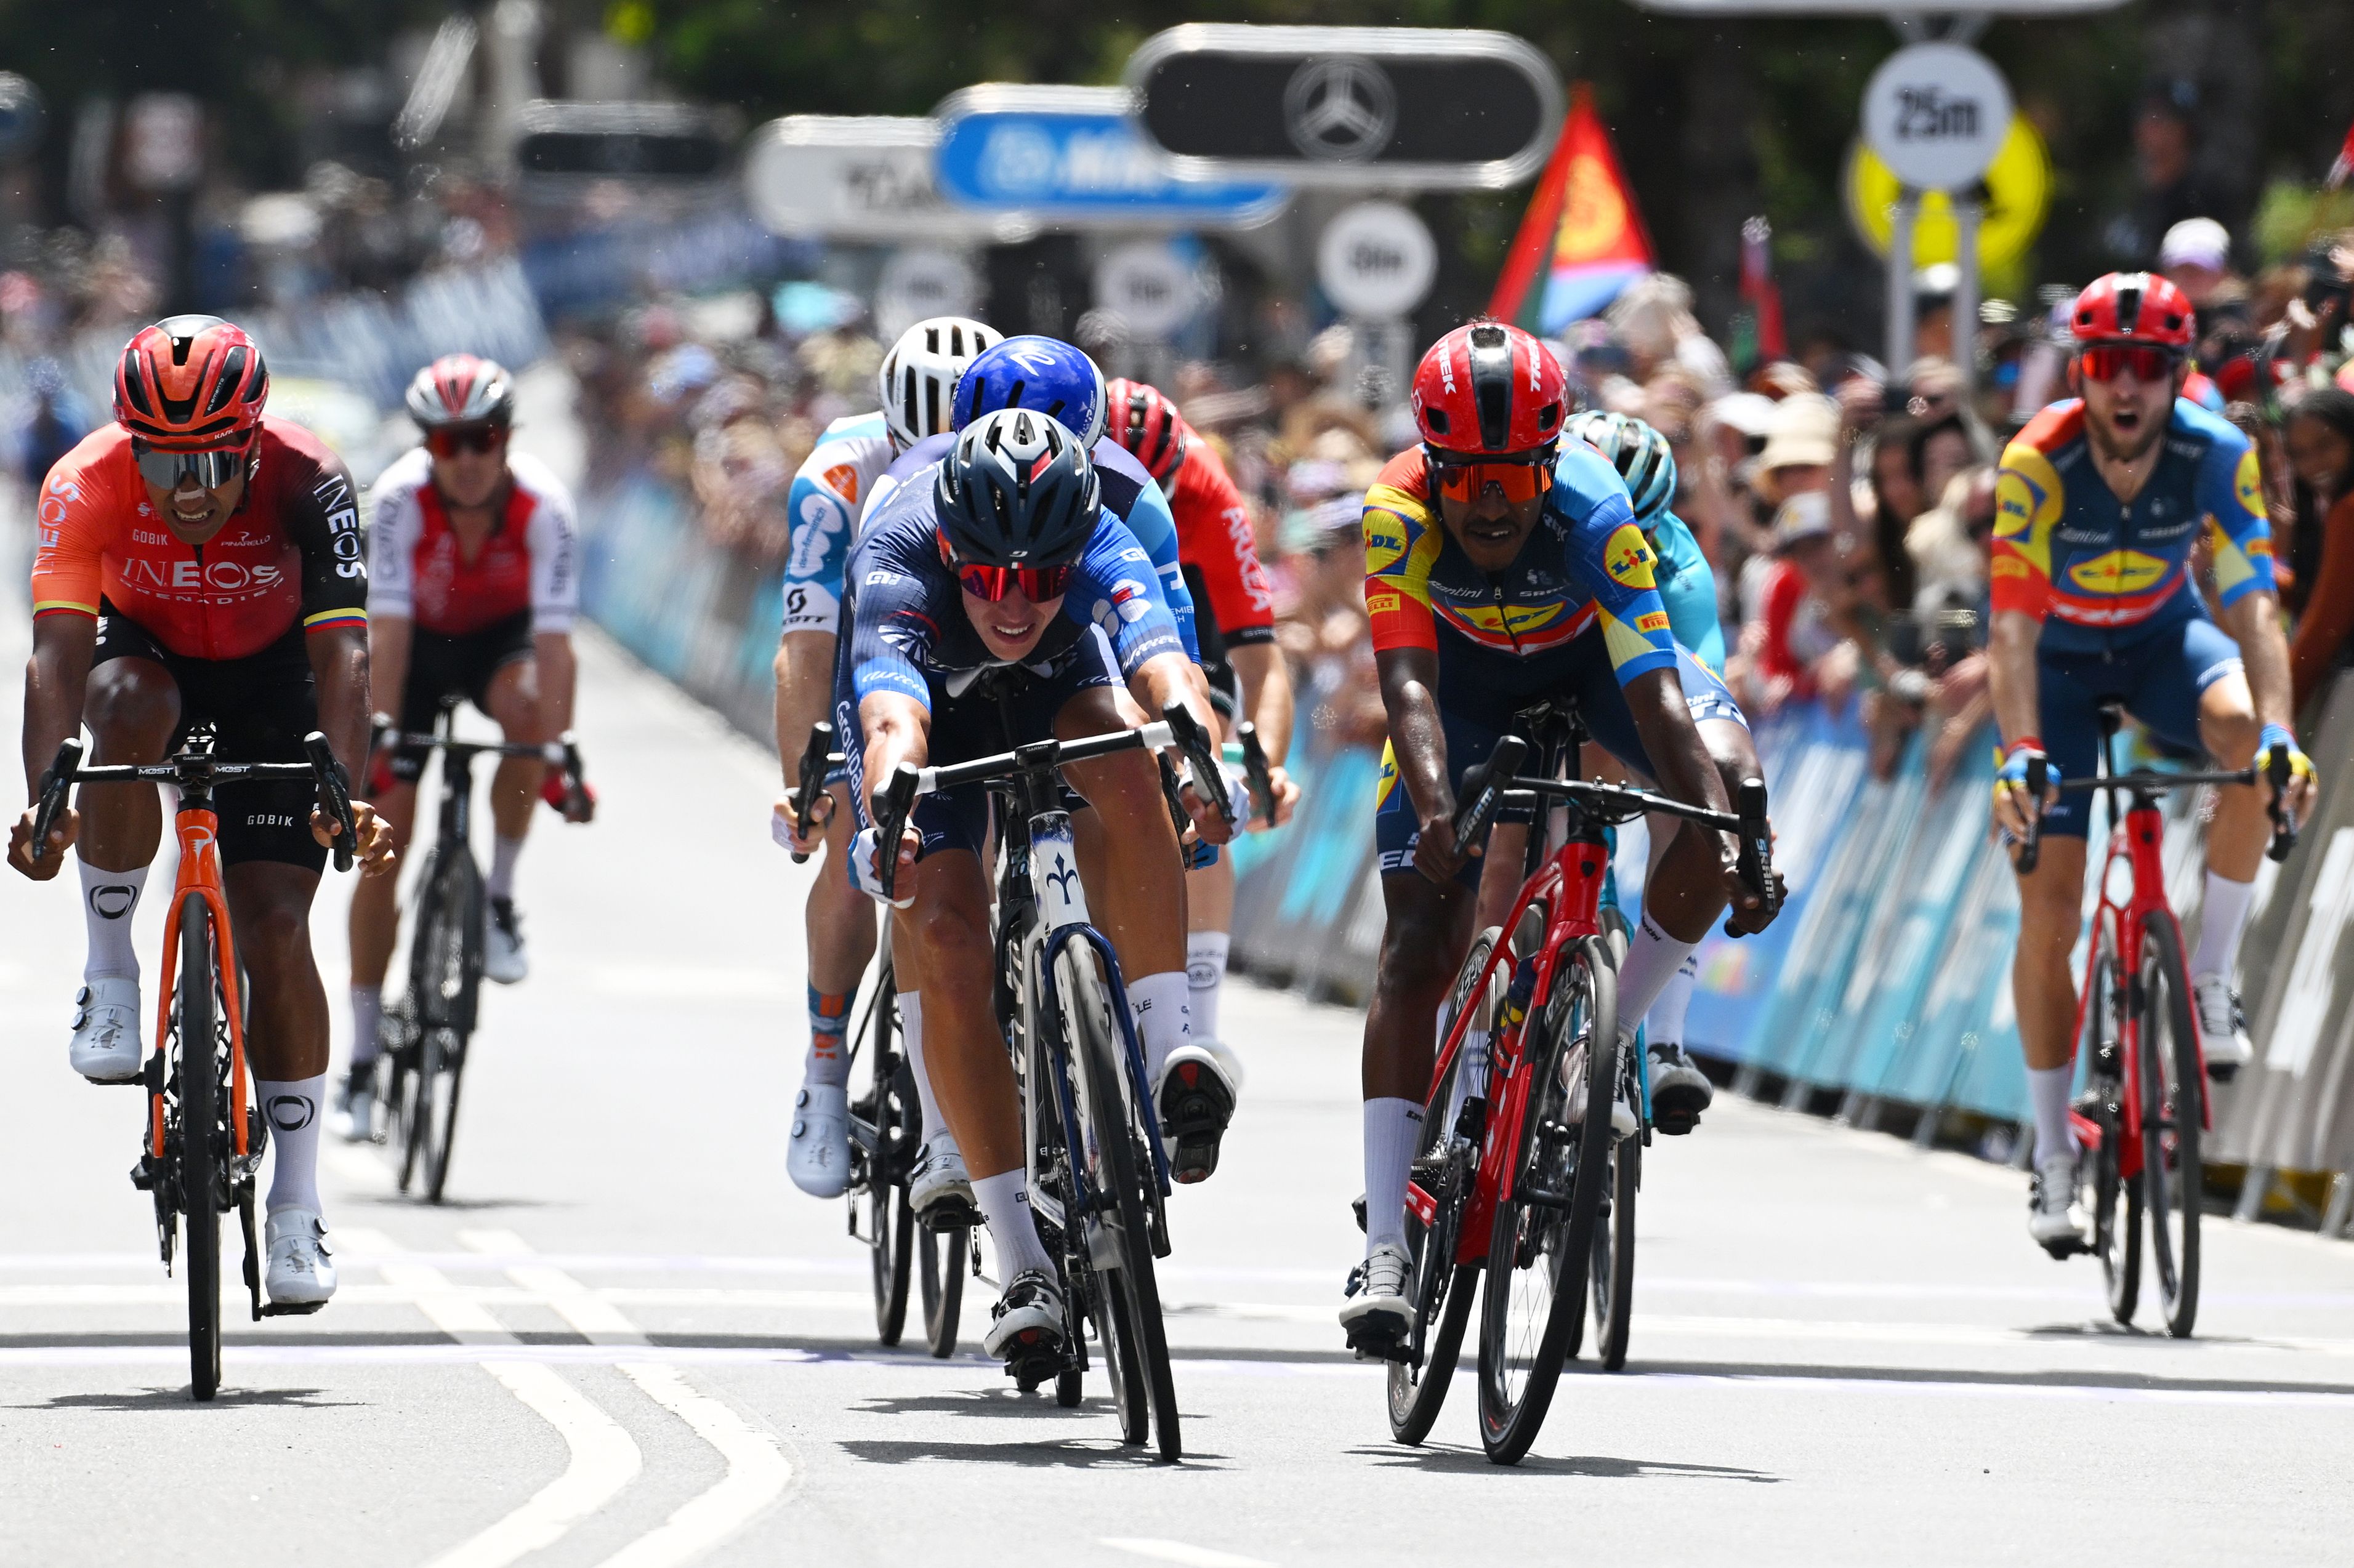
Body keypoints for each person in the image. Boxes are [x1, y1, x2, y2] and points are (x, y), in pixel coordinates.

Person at [1340, 323, 1777, 1355]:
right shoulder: (1394, 510)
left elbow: (1661, 701)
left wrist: (1724, 833)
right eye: (1466, 479)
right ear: (1433, 465)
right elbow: (1404, 683)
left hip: (1593, 670)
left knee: (1724, 802)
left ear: (1548, 462)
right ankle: (1388, 1243)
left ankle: (1610, 1032)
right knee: (1415, 946)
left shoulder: (1595, 510)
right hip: (1457, 692)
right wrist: (1439, 802)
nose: (1488, 503)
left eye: (1511, 478)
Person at [786, 409, 1233, 1366]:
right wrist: (888, 817)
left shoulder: (1099, 534)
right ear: (952, 546)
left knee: (1128, 759)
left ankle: (1170, 1047)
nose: (1015, 603)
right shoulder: (898, 550)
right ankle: (1022, 1261)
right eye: (989, 577)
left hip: (1059, 684)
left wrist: (1199, 754)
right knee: (944, 929)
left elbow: (1161, 661)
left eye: (1040, 579)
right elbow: (892, 722)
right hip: (932, 711)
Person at [8, 316, 395, 1308]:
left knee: (274, 930)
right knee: (121, 709)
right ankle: (110, 975)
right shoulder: (83, 481)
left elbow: (345, 659)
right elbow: (55, 655)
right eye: (164, 463)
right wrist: (48, 793)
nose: (188, 492)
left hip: (279, 685)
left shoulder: (311, 479)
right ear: (130, 444)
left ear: (254, 443)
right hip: (150, 664)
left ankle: (299, 1208)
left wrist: (342, 793)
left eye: (213, 463)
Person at [1988, 273, 2318, 1255]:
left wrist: (2276, 729)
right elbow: (2006, 629)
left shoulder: (2215, 451)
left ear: (2176, 374)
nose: (2122, 388)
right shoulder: (2035, 458)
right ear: (2080, 371)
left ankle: (2209, 975)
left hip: (2161, 642)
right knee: (2049, 909)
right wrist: (2019, 753)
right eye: (2103, 367)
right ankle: (2051, 1150)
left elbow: (2251, 601)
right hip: (2051, 662)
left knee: (2244, 749)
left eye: (2145, 368)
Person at [769, 316, 999, 1204]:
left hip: (981, 640)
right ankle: (824, 1066)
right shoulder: (834, 478)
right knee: (853, 853)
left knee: (979, 854)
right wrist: (807, 782)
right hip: (873, 649)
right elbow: (803, 644)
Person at [338, 354, 591, 1140]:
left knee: (525, 712)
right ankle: (362, 1055)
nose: (470, 460)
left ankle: (501, 899)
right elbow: (387, 637)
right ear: (428, 448)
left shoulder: (546, 506)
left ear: (507, 439)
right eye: (450, 445)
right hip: (415, 648)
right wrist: (381, 745)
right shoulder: (399, 499)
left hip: (497, 646)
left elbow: (555, 650)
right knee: (389, 839)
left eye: (482, 440)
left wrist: (555, 754)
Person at [1105, 377, 1302, 1087]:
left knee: (1206, 753)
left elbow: (1261, 659)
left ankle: (1202, 1024)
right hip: (1082, 588)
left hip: (1177, 610)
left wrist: (1264, 766)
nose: (1137, 496)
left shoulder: (1209, 495)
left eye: (1152, 484)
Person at [1555, 409, 1726, 1130]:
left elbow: (1698, 692)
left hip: (1636, 673)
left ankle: (1665, 1041)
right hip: (1550, 666)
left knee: (1683, 797)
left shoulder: (1679, 569)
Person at [2283, 387, 2354, 710]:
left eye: (2326, 445)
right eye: (2299, 454)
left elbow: (2323, 631)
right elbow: (2317, 594)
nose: (2313, 465)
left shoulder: (2349, 510)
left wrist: (2273, 723)